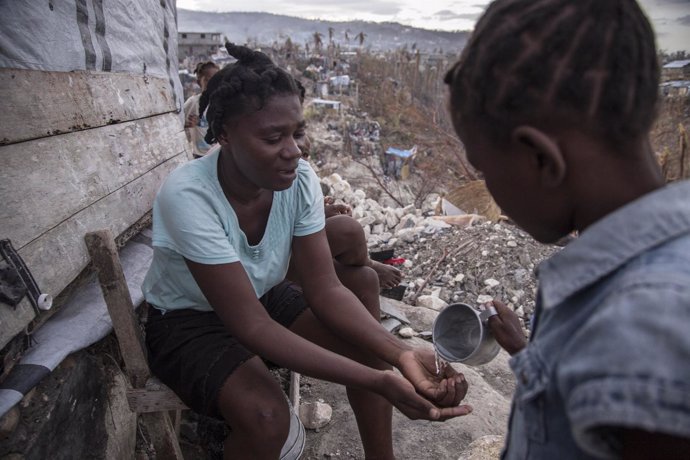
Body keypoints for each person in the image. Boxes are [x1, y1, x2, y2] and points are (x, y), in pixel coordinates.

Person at [143, 42, 471, 460]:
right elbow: (252, 326)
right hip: (186, 321)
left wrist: (402, 355)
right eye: (273, 137)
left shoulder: (297, 181)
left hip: (261, 296)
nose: (294, 150)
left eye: (297, 131)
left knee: (371, 356)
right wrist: (381, 382)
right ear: (224, 135)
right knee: (267, 418)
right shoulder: (189, 196)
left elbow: (326, 288)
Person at [444, 1, 690, 459]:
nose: (490, 190)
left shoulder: (645, 325)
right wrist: (533, 353)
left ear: (541, 158)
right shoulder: (633, 279)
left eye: (485, 169)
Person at [183, 61, 220, 158]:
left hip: (219, 155)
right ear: (199, 82)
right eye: (208, 80)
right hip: (200, 155)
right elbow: (176, 123)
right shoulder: (193, 102)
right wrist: (187, 124)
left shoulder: (223, 103)